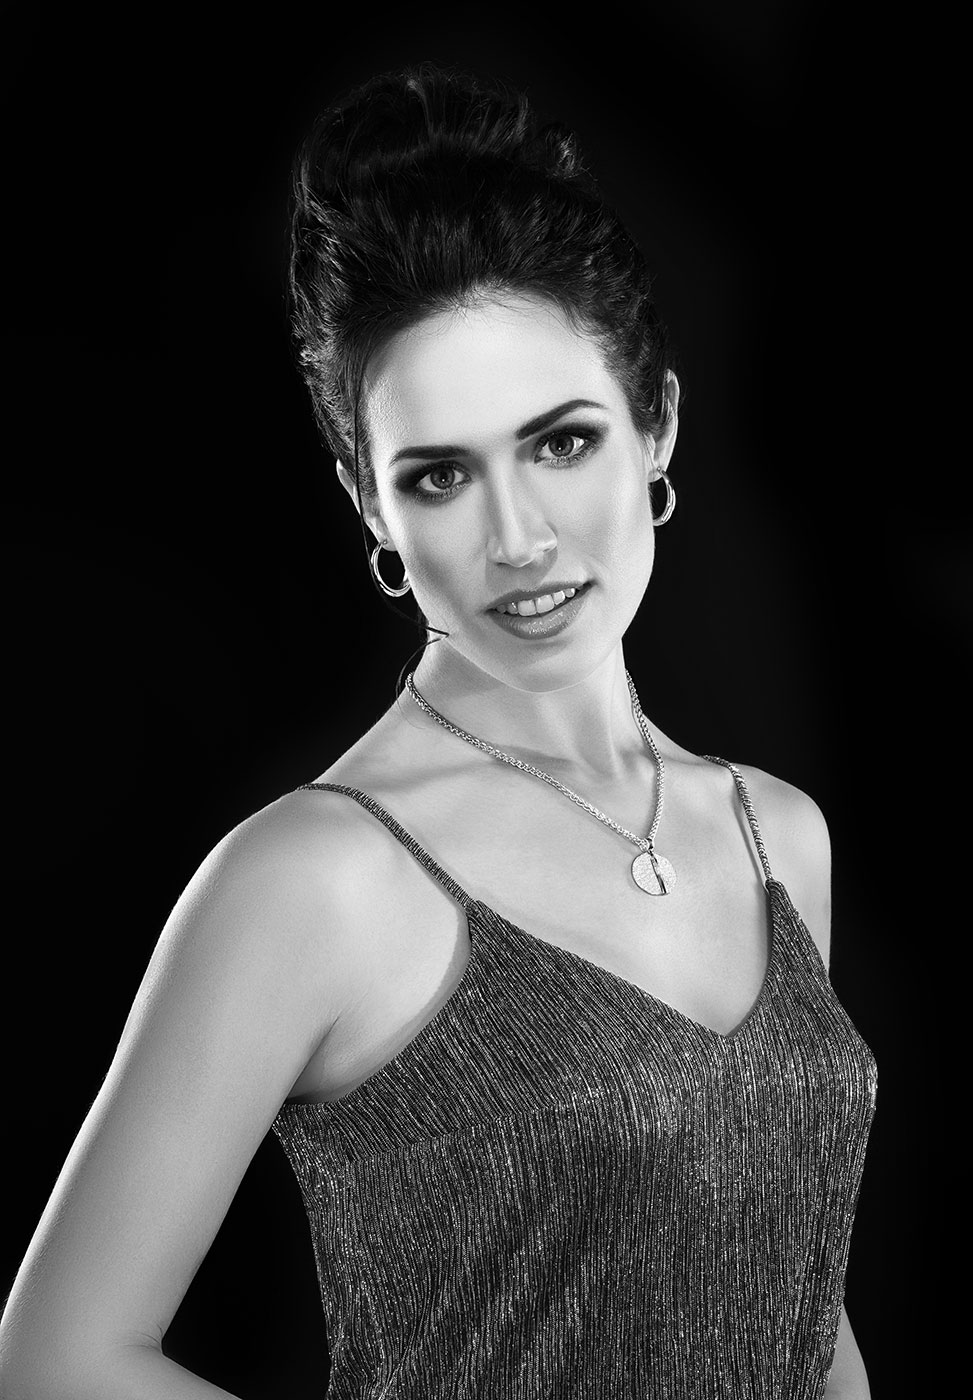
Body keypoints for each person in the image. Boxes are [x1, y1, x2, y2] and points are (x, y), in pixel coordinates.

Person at [0, 63, 876, 1400]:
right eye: (440, 475)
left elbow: (797, 1302)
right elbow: (60, 1358)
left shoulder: (777, 835)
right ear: (370, 503)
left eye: (560, 443)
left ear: (657, 427)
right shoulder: (315, 876)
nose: (517, 537)